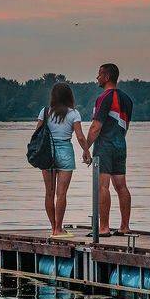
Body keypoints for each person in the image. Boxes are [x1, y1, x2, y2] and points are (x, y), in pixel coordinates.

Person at [82, 62, 134, 235]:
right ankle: (125, 226)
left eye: (99, 74)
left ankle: (103, 228)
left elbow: (96, 127)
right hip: (120, 144)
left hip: (104, 145)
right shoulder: (127, 99)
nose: (97, 77)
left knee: (103, 186)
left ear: (107, 77)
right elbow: (126, 125)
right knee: (121, 186)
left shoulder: (104, 97)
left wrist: (86, 148)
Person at [36, 82, 89, 236]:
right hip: (65, 151)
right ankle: (59, 228)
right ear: (69, 96)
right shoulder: (74, 113)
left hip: (47, 153)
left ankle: (53, 228)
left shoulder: (45, 112)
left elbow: (37, 132)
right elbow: (80, 136)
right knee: (61, 193)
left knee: (49, 193)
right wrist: (86, 151)